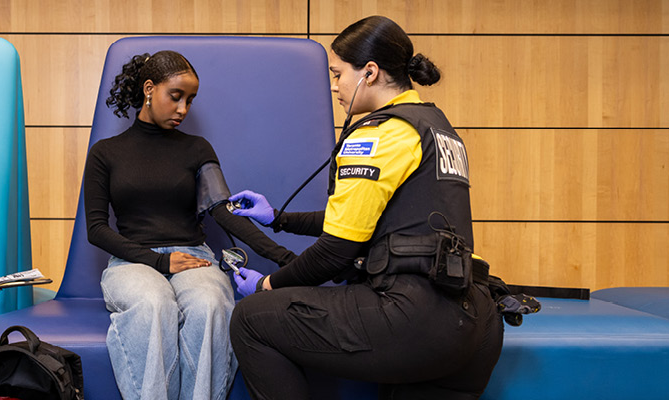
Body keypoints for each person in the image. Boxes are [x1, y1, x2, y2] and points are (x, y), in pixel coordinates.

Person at [226, 16, 504, 399]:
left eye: (338, 74)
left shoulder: (381, 134)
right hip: (474, 320)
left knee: (251, 319)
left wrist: (266, 284)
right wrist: (278, 218)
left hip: (413, 318)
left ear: (369, 73)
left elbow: (337, 250)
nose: (335, 86)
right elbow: (376, 220)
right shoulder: (437, 128)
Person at [85, 50, 298, 400]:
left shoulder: (198, 149)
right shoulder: (106, 153)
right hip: (133, 260)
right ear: (149, 89)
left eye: (191, 100)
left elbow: (223, 211)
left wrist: (290, 261)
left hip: (194, 255)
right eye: (176, 96)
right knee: (153, 303)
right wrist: (158, 261)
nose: (184, 109)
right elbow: (96, 229)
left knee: (211, 304)